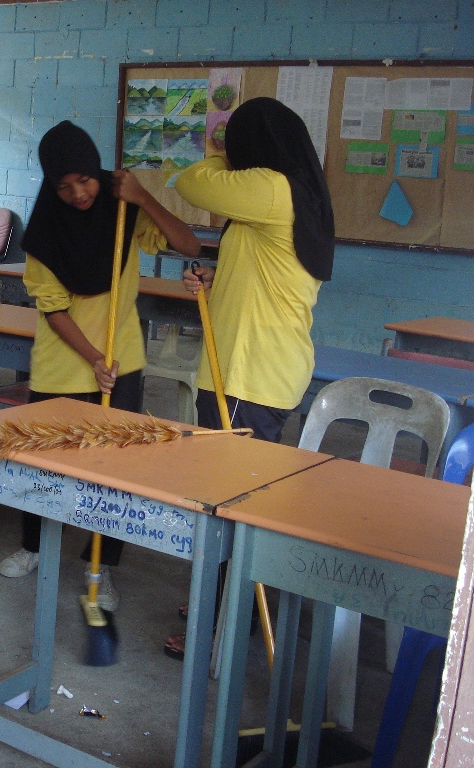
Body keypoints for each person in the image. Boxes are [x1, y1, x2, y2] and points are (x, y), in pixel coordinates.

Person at [0, 120, 200, 612]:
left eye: (85, 181)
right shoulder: (44, 233)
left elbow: (189, 246)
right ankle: (33, 546)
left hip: (123, 359)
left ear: (97, 173)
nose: (78, 194)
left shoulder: (125, 210)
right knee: (44, 464)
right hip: (62, 365)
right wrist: (92, 358)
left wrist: (143, 197)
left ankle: (101, 564)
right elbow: (54, 308)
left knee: (114, 471)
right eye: (64, 187)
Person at [164, 96, 335, 659]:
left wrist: (216, 152)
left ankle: (215, 627)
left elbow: (190, 181)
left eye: (235, 140)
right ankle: (218, 607)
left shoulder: (270, 186)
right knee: (231, 498)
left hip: (248, 375)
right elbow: (265, 272)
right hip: (255, 368)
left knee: (224, 503)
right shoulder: (290, 192)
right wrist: (215, 280)